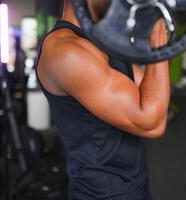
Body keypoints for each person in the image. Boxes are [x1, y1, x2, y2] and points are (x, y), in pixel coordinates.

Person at [35, 0, 170, 199]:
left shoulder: (100, 45)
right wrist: (158, 32)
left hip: (134, 187)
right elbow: (152, 122)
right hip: (103, 194)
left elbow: (153, 96)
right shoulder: (67, 52)